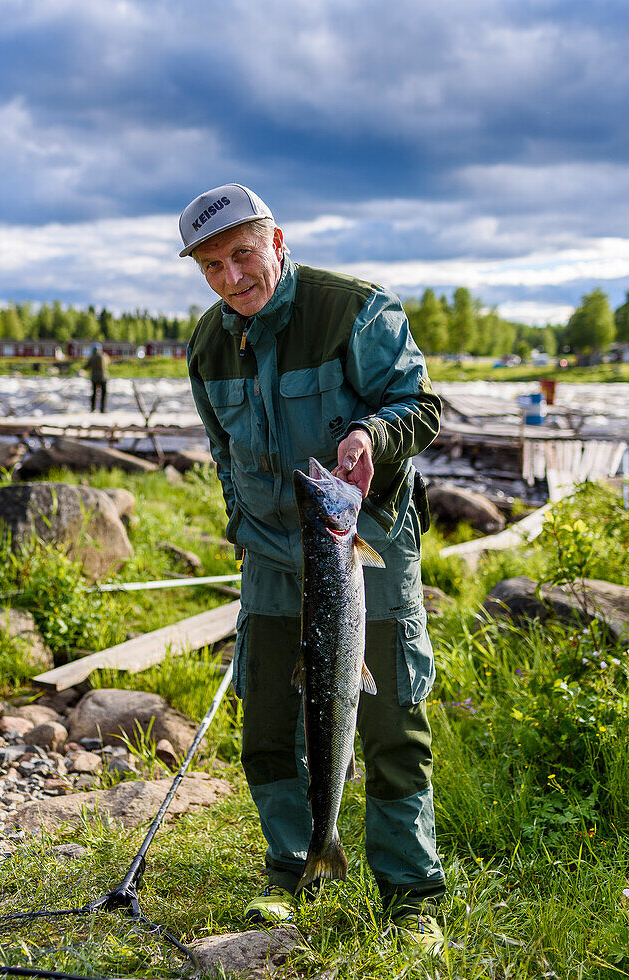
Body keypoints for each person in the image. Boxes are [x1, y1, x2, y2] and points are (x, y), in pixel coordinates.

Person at [180, 183, 446, 955]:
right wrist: (239, 525)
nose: (231, 277)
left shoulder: (352, 309)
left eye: (241, 254)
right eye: (211, 266)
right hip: (269, 557)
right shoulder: (206, 345)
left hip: (364, 548)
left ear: (278, 241)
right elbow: (224, 453)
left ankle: (411, 893)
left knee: (390, 718)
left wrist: (369, 435)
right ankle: (293, 869)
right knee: (267, 723)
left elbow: (419, 404)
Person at [84, 343, 110, 413]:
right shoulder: (103, 356)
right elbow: (108, 362)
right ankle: (102, 409)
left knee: (94, 394)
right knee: (103, 394)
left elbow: (86, 367)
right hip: (103, 377)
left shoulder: (92, 358)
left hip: (94, 377)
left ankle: (93, 409)